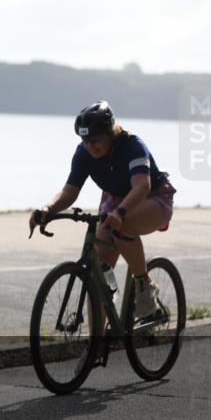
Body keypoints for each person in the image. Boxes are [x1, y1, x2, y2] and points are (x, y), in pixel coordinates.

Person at [29, 101, 177, 320]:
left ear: (110, 132)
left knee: (122, 226)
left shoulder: (133, 145)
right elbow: (69, 192)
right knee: (99, 278)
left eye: (96, 140)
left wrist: (120, 213)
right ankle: (96, 347)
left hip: (153, 198)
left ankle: (143, 288)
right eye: (85, 140)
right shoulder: (84, 153)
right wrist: (48, 209)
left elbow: (141, 186)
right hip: (115, 201)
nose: (90, 146)